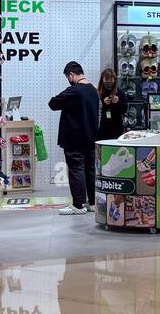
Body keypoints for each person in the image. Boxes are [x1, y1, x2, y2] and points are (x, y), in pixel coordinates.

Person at [48, 61, 100, 215]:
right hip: (91, 137)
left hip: (74, 139)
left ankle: (78, 205)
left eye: (68, 77)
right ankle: (92, 202)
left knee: (76, 169)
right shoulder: (93, 91)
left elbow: (53, 103)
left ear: (71, 75)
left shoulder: (74, 91)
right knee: (90, 170)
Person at [96, 67, 126, 141]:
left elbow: (124, 110)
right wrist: (103, 103)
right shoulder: (98, 93)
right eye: (107, 79)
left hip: (116, 128)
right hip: (102, 128)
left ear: (114, 80)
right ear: (102, 79)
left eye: (111, 79)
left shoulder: (120, 92)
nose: (109, 81)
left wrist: (118, 102)